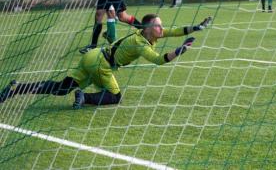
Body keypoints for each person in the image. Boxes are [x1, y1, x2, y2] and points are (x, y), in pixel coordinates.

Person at [0, 14, 212, 109]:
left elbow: (174, 30)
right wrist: (181, 50)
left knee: (61, 88)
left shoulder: (147, 34)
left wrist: (196, 28)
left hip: (92, 56)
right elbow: (158, 60)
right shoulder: (140, 43)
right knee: (115, 96)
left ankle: (17, 88)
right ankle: (84, 98)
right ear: (147, 28)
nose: (161, 29)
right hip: (101, 64)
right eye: (158, 26)